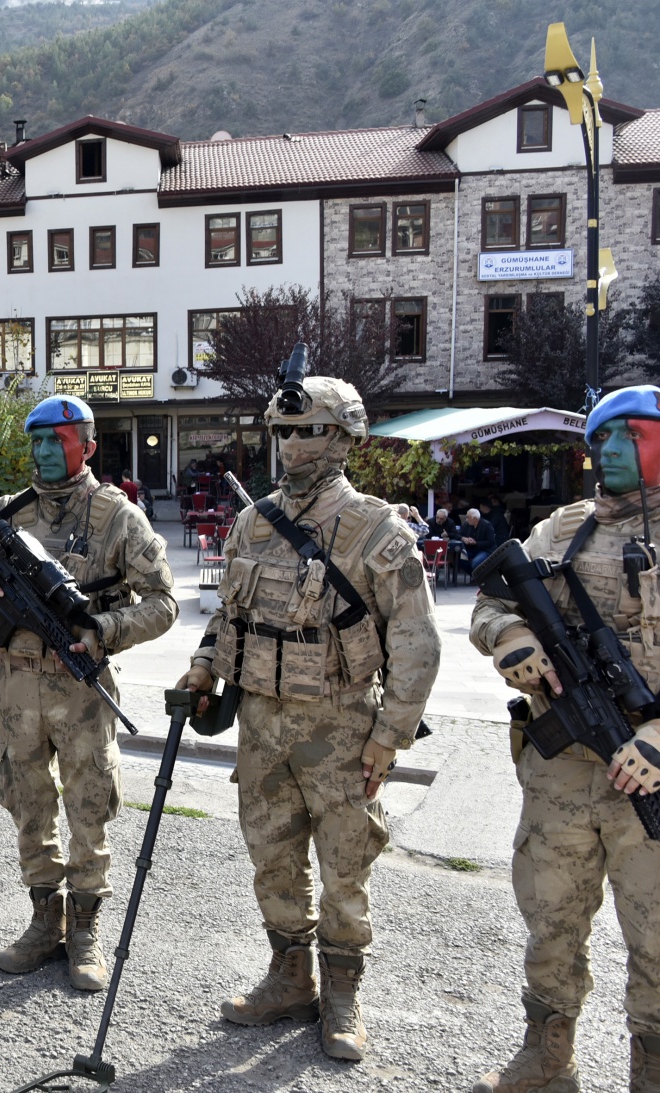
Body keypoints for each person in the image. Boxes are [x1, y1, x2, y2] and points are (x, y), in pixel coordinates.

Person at [178, 374, 439, 1060]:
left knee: (345, 866)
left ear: (345, 438)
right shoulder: (253, 521)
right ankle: (291, 976)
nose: (292, 445)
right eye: (284, 431)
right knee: (272, 858)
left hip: (341, 728)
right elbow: (229, 615)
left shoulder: (376, 529)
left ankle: (343, 994)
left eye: (309, 431)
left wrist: (389, 736)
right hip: (261, 727)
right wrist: (203, 667)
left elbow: (417, 643)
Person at [0, 394, 176, 991]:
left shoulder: (118, 518)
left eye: (57, 440)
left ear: (87, 446)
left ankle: (84, 930)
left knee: (88, 807)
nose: (45, 451)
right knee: (28, 803)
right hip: (17, 683)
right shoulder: (5, 510)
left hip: (81, 686)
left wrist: (103, 629)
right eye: (36, 441)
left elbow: (164, 604)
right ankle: (43, 920)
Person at [468, 385, 660, 1093]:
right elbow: (490, 603)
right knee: (551, 921)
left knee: (658, 938)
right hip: (564, 770)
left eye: (630, 434)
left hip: (650, 771)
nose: (611, 449)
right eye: (600, 437)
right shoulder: (561, 530)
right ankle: (548, 1059)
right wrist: (509, 637)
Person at [460, 508, 498, 575]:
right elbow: (459, 534)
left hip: (485, 550)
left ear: (475, 519)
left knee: (475, 563)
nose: (466, 519)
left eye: (468, 517)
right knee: (460, 558)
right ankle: (475, 576)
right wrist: (464, 538)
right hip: (471, 548)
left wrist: (476, 543)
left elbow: (491, 542)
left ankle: (478, 577)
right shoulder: (466, 524)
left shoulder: (487, 525)